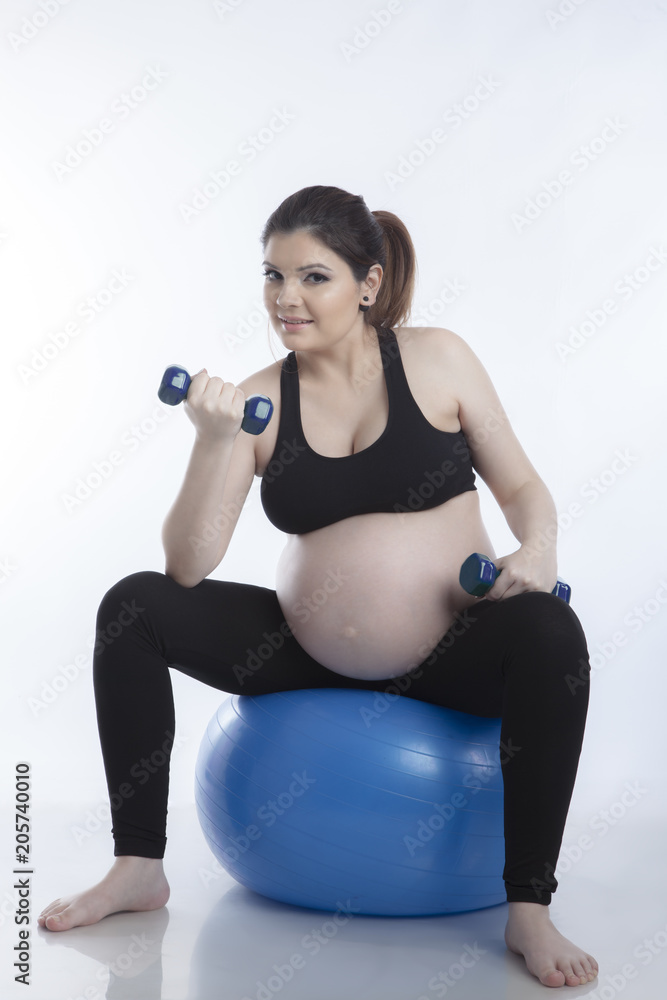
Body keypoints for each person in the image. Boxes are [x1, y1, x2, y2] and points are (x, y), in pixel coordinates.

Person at [38, 185, 598, 989]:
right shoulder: (260, 400)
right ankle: (137, 867)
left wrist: (537, 550)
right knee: (133, 606)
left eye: (312, 277)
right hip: (306, 655)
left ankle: (528, 910)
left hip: (453, 654)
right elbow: (188, 565)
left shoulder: (438, 358)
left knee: (550, 631)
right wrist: (213, 440)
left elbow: (524, 492)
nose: (285, 298)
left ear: (367, 283)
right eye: (272, 276)